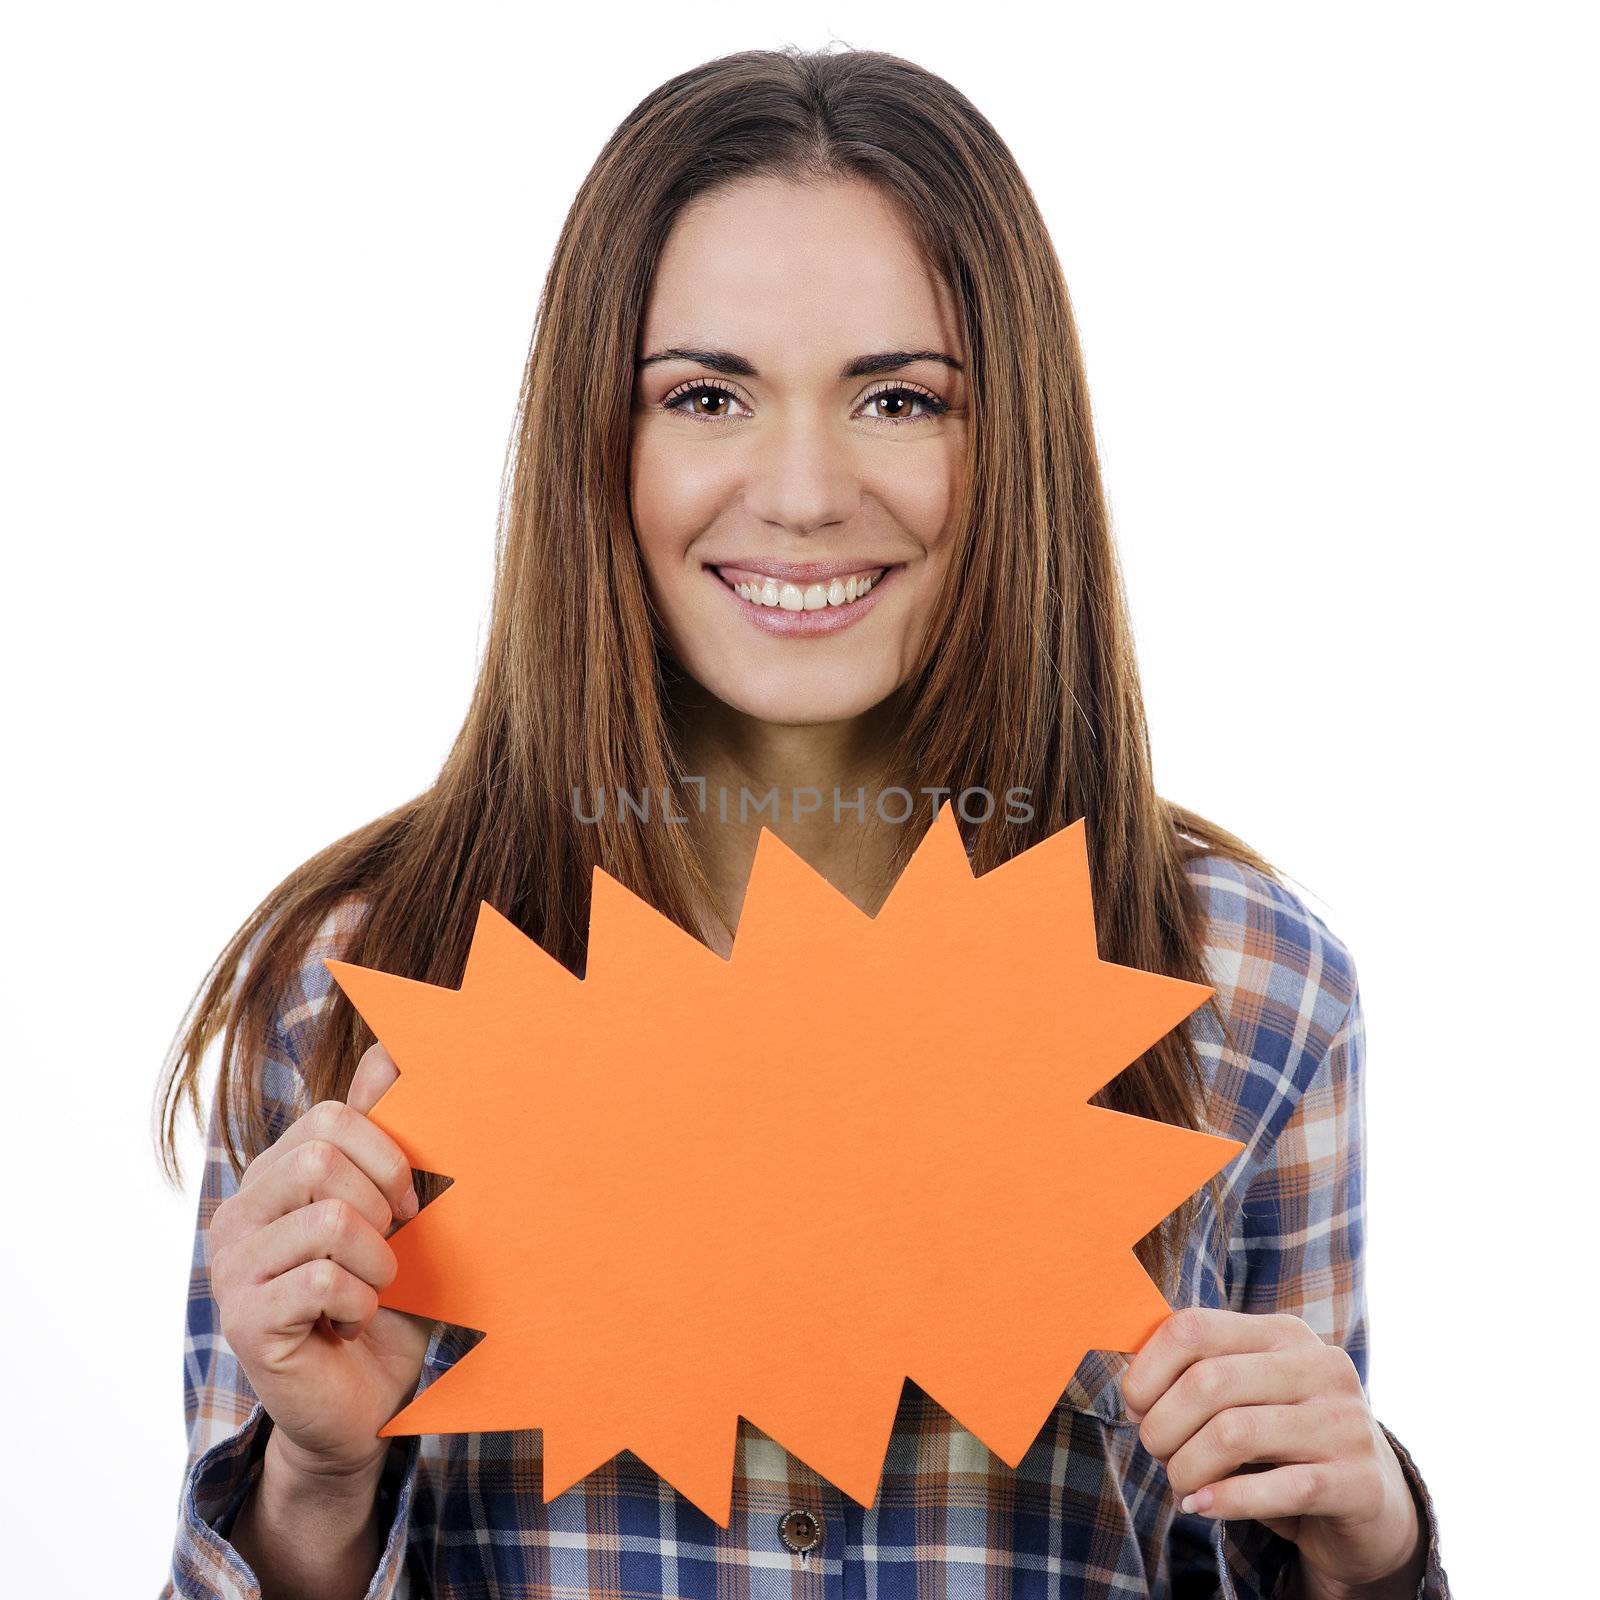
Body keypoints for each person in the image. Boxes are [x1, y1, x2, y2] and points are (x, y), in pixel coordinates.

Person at [157, 45, 1450, 1600]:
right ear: (597, 438)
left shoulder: (1249, 979)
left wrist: (1366, 1542)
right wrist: (314, 1475)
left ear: (1012, 444)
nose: (802, 489)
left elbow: (1281, 1538)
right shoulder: (355, 981)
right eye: (705, 394)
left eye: (899, 398)